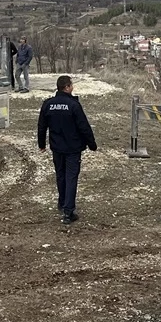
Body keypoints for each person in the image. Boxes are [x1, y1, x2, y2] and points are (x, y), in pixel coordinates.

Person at [37, 75, 97, 225]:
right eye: (72, 85)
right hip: (73, 148)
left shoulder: (48, 104)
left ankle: (62, 202)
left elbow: (42, 126)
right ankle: (68, 212)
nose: (73, 88)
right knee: (71, 177)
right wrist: (92, 144)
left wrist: (41, 144)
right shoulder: (73, 105)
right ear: (67, 87)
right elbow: (84, 126)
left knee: (61, 176)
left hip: (56, 147)